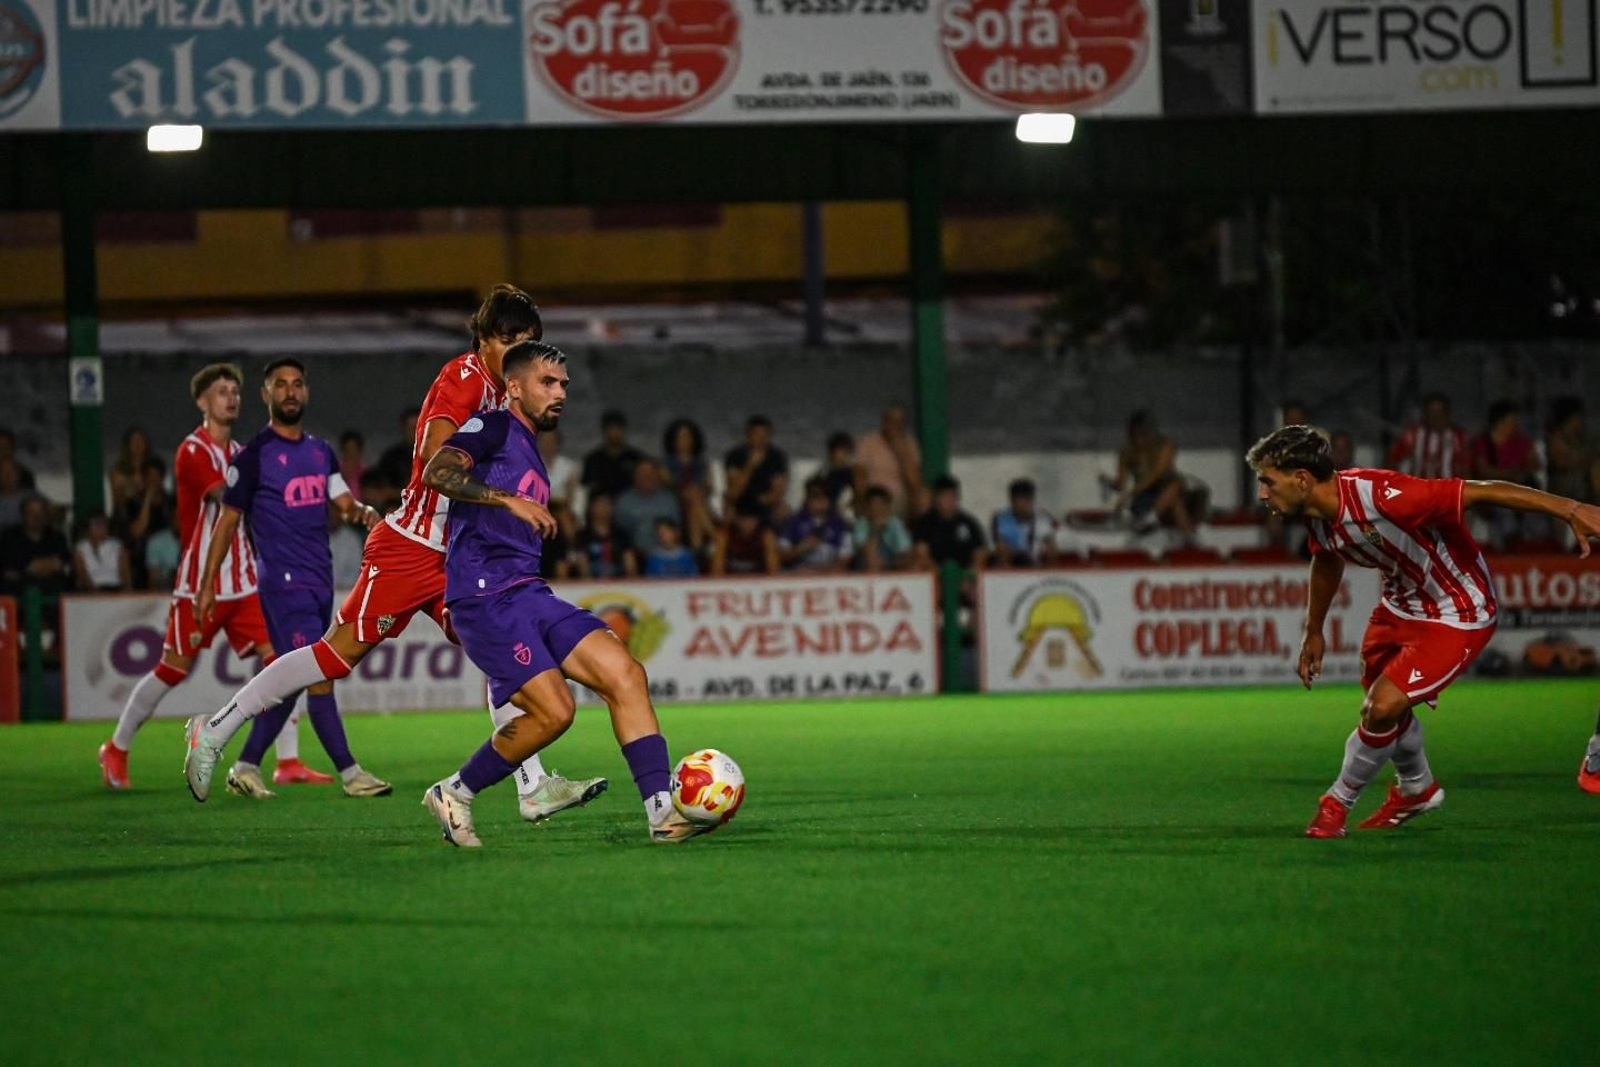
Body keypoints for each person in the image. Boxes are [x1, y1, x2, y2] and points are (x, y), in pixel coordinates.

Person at [181, 287, 602, 823]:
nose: (517, 348)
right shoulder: (465, 378)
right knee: (334, 657)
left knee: (502, 650)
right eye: (507, 339)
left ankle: (533, 784)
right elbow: (434, 457)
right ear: (482, 340)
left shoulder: (510, 395)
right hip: (412, 548)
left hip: (458, 557)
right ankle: (214, 728)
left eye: (528, 341)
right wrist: (504, 499)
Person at [1245, 424, 1600, 839]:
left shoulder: (1384, 497)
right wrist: (1314, 630)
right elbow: (1327, 558)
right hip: (1399, 608)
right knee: (1386, 710)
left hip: (1457, 610)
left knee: (1380, 708)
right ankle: (1417, 787)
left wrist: (1571, 509)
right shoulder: (1316, 513)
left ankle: (1335, 804)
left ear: (1301, 479)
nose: (1262, 493)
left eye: (1267, 481)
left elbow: (1481, 490)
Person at [417, 339, 706, 846]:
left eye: (564, 385)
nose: (560, 393)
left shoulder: (531, 446)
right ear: (513, 386)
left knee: (625, 673)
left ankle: (662, 814)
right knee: (556, 713)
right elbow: (437, 471)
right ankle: (455, 791)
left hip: (527, 592)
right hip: (483, 597)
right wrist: (505, 499)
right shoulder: (492, 425)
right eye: (547, 383)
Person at [193, 357, 388, 799]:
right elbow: (226, 523)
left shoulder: (321, 451)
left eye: (297, 384)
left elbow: (343, 501)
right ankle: (351, 772)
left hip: (319, 580)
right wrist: (207, 586)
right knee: (319, 675)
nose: (290, 392)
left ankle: (244, 765)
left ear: (306, 393)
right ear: (266, 396)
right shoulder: (254, 456)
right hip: (282, 582)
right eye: (280, 385)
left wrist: (365, 513)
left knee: (289, 680)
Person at [99, 364, 289, 790]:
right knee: (173, 668)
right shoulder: (193, 451)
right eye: (222, 391)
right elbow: (228, 497)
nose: (231, 397)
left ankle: (285, 760)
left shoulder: (242, 449)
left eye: (236, 391)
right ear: (202, 401)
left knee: (280, 663)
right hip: (200, 582)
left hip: (242, 582)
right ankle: (117, 747)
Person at [1106, 410, 1196, 542]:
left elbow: (1157, 473)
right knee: (1175, 500)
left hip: (1166, 488)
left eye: (1143, 434)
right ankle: (1189, 538)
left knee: (1175, 488)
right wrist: (1111, 485)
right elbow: (1121, 482)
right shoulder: (1127, 452)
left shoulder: (1165, 444)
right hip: (1144, 497)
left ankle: (1152, 519)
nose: (1139, 439)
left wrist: (1129, 494)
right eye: (1135, 434)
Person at [1470, 401, 1541, 549]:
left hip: (1521, 493)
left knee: (1537, 514)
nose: (1516, 424)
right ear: (1500, 422)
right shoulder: (1483, 442)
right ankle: (1509, 549)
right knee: (1505, 513)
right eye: (1512, 421)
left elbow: (1535, 464)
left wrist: (1520, 473)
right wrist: (1510, 475)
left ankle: (1536, 549)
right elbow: (1484, 470)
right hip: (1491, 495)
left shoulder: (1522, 442)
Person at [856, 405, 925, 519]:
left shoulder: (910, 444)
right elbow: (859, 475)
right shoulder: (869, 441)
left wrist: (900, 450)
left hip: (899, 497)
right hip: (874, 495)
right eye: (890, 420)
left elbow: (915, 482)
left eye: (899, 421)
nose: (894, 425)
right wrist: (863, 497)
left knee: (923, 497)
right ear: (884, 421)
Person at [661, 417, 718, 553]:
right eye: (680, 437)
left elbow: (708, 487)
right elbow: (669, 485)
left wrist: (697, 492)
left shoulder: (703, 463)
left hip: (699, 506)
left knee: (694, 506)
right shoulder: (666, 464)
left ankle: (697, 549)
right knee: (692, 499)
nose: (683, 441)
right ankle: (715, 537)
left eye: (687, 437)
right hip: (675, 505)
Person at [912, 475, 987, 572]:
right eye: (945, 497)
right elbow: (922, 554)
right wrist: (942, 576)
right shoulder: (924, 523)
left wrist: (968, 575)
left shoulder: (969, 522)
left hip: (965, 576)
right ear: (936, 498)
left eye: (953, 496)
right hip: (935, 576)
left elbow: (980, 552)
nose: (950, 501)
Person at [119, 456, 173, 590]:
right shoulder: (133, 503)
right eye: (149, 477)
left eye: (156, 477)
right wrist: (147, 499)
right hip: (141, 557)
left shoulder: (171, 502)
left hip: (166, 556)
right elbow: (137, 531)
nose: (153, 481)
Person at [778, 477, 853, 572]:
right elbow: (780, 556)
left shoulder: (841, 525)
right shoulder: (792, 522)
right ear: (807, 498)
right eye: (815, 496)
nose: (821, 500)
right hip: (799, 576)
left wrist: (816, 572)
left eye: (825, 495)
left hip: (829, 577)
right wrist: (800, 549)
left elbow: (844, 561)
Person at [1387, 392, 1468, 479]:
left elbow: (1467, 467)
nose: (1435, 417)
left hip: (1449, 489)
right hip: (1419, 488)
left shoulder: (1458, 436)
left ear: (1447, 414)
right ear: (1425, 414)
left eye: (1439, 412)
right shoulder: (1413, 434)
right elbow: (1392, 459)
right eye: (1431, 412)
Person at [723, 415, 789, 522]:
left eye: (765, 435)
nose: (761, 439)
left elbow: (779, 489)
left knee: (783, 510)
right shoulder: (735, 455)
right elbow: (734, 491)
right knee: (729, 509)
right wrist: (750, 466)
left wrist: (763, 500)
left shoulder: (777, 456)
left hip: (765, 501)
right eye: (757, 435)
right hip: (740, 501)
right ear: (748, 436)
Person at [614, 459, 682, 552]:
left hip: (667, 553)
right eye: (642, 473)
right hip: (636, 554)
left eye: (651, 472)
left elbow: (676, 529)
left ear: (657, 475)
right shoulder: (623, 502)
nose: (647, 476)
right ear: (634, 476)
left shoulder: (669, 499)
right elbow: (618, 533)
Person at [991, 478, 1057, 568]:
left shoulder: (1043, 517)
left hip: (1036, 561)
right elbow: (1000, 545)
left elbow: (1050, 544)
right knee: (1003, 552)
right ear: (1012, 501)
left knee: (1051, 550)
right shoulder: (1001, 519)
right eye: (1019, 500)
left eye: (1027, 499)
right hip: (1011, 561)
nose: (1023, 504)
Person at [581, 409, 645, 500]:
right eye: (611, 428)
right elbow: (587, 486)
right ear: (604, 431)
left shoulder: (634, 457)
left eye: (618, 428)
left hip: (631, 504)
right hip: (601, 504)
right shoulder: (593, 459)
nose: (614, 433)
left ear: (623, 430)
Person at [575, 493, 637, 578]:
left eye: (608, 504)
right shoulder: (583, 535)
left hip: (620, 583)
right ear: (591, 508)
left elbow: (629, 563)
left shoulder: (621, 534)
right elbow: (582, 564)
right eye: (600, 504)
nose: (604, 508)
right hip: (591, 585)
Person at [853, 485, 914, 572]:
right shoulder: (861, 524)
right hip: (866, 565)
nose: (877, 508)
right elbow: (865, 551)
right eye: (873, 504)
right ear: (867, 507)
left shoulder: (895, 523)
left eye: (880, 504)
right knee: (871, 563)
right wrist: (876, 529)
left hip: (892, 564)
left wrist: (890, 564)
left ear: (887, 505)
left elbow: (905, 551)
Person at [711, 502, 780, 575]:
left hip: (758, 582)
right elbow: (717, 570)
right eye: (744, 519)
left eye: (751, 519)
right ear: (737, 519)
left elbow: (773, 570)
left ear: (757, 520)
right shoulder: (725, 536)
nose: (748, 523)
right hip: (731, 581)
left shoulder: (765, 536)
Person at [74, 511, 131, 591]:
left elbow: (125, 574)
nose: (99, 526)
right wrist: (93, 590)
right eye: (95, 523)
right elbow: (82, 574)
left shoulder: (118, 546)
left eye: (102, 523)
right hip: (91, 590)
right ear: (88, 527)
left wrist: (125, 590)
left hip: (116, 588)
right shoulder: (81, 547)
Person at [108, 427, 153, 525]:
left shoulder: (152, 469)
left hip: (151, 516)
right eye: (134, 441)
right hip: (126, 518)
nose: (137, 445)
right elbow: (119, 501)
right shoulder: (117, 472)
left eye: (140, 440)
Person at [375, 407, 420, 494]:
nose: (413, 432)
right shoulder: (391, 457)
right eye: (410, 427)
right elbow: (383, 489)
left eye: (416, 427)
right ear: (403, 428)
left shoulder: (432, 456)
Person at [819, 432, 860, 514]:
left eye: (846, 452)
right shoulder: (823, 474)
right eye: (840, 451)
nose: (843, 456)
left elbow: (858, 495)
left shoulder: (852, 474)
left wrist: (844, 507)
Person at [338, 430, 366, 498]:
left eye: (354, 449)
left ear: (360, 451)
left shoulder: (366, 473)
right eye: (348, 450)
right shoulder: (334, 470)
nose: (351, 454)